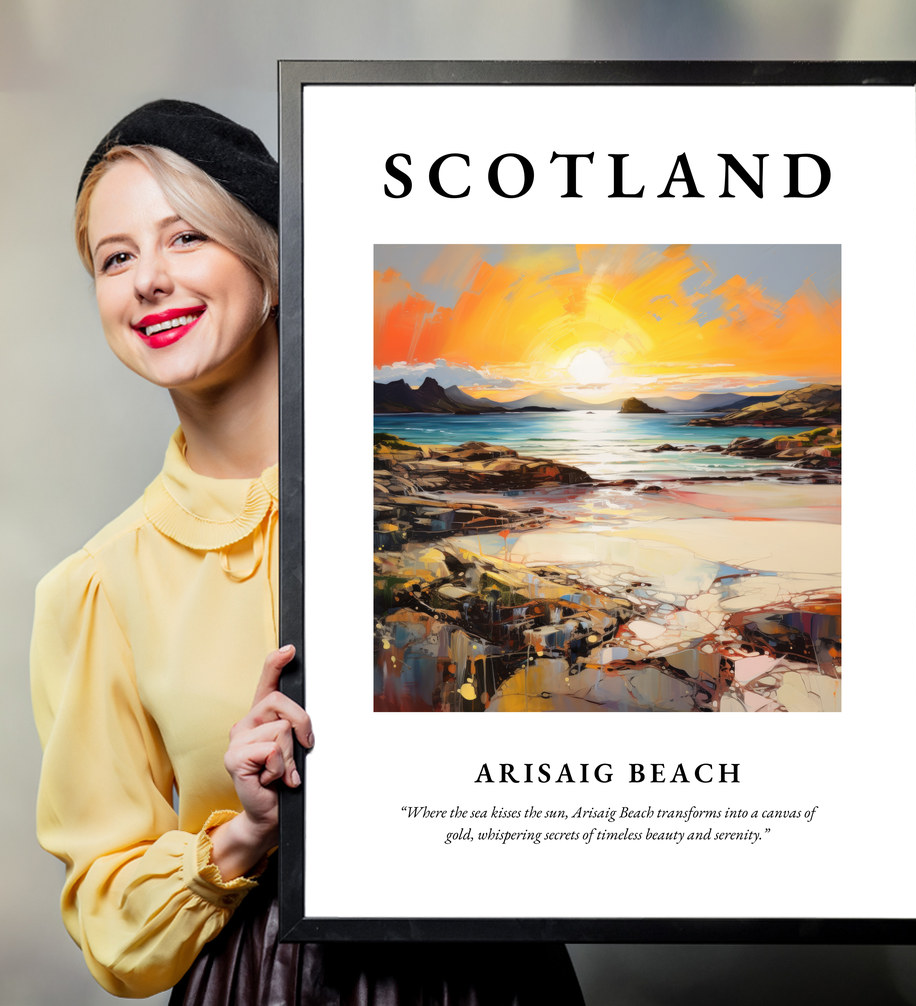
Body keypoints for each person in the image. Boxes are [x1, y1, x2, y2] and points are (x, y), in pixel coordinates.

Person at [30, 100, 585, 1004]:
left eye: (186, 239)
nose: (148, 281)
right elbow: (110, 924)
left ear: (273, 264)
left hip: (492, 973)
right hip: (262, 981)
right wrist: (245, 832)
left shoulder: (444, 508)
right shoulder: (97, 587)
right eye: (116, 257)